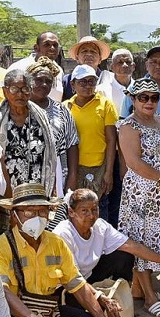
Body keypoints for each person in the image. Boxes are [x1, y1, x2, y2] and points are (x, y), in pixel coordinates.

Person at [0, 184, 121, 317]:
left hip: (48, 311)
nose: (37, 217)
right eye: (29, 212)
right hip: (13, 314)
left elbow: (78, 285)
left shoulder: (56, 243)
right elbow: (3, 292)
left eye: (42, 211)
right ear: (14, 214)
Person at [54, 188, 160, 317]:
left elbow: (131, 246)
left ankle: (122, 304)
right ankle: (105, 310)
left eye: (94, 209)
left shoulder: (100, 226)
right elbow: (74, 280)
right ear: (71, 212)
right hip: (70, 288)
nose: (91, 216)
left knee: (124, 256)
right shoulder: (63, 233)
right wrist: (101, 298)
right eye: (84, 211)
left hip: (88, 276)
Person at [117, 78, 160, 317]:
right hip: (143, 193)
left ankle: (139, 289)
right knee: (142, 242)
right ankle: (149, 297)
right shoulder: (128, 126)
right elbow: (133, 162)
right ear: (133, 100)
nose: (149, 102)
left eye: (154, 97)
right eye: (143, 97)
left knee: (158, 238)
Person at [0, 69, 58, 193]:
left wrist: (53, 188)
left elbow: (50, 156)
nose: (20, 94)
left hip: (37, 191)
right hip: (5, 191)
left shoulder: (41, 118)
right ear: (5, 91)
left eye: (25, 89)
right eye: (14, 89)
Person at [63, 65, 119, 218]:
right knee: (75, 209)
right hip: (74, 168)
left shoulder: (105, 104)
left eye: (92, 81)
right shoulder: (66, 107)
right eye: (82, 82)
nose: (88, 86)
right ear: (73, 84)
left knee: (98, 208)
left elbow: (111, 139)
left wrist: (108, 172)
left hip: (99, 167)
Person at [29, 57, 80, 194]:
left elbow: (72, 143)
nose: (44, 85)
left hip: (56, 172)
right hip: (26, 172)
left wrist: (72, 177)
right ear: (29, 81)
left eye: (48, 81)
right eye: (39, 80)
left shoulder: (61, 110)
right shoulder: (20, 108)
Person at [104, 48, 136, 229]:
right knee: (114, 198)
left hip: (136, 153)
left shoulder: (141, 88)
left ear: (134, 65)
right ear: (111, 66)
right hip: (111, 153)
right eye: (119, 62)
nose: (124, 66)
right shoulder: (102, 90)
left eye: (127, 62)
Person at [9, 31, 64, 101]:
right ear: (36, 48)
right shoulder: (19, 67)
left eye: (55, 45)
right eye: (47, 45)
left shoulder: (58, 70)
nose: (52, 48)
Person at [61, 36, 115, 101]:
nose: (89, 54)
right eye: (84, 51)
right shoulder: (67, 81)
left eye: (93, 51)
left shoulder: (111, 79)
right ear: (77, 58)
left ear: (100, 59)